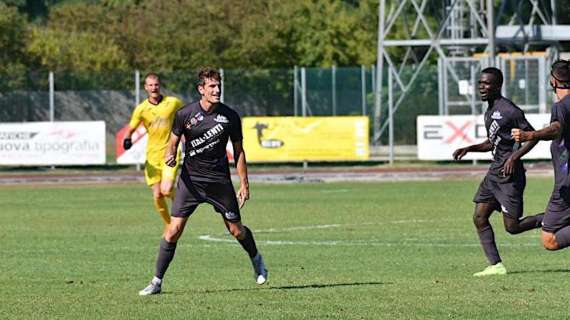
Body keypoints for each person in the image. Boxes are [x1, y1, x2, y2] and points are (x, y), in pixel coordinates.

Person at [139, 68, 267, 296]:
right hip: (190, 181)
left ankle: (256, 258)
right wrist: (170, 153)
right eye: (212, 86)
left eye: (219, 86)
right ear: (201, 90)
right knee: (173, 230)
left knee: (236, 231)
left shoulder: (230, 116)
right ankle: (156, 282)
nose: (217, 90)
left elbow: (239, 152)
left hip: (219, 182)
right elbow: (174, 140)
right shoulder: (184, 114)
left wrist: (244, 183)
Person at [453, 67, 543, 277]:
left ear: (498, 85)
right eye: (480, 83)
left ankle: (554, 219)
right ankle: (495, 265)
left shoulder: (510, 110)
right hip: (494, 173)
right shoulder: (490, 110)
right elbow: (493, 143)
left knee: (512, 227)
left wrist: (514, 157)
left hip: (509, 176)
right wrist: (470, 148)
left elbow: (533, 136)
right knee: (479, 216)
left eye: (487, 84)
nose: (482, 87)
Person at [512, 59, 570, 251]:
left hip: (567, 186)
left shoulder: (561, 107)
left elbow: (556, 128)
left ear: (553, 82)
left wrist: (531, 134)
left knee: (550, 239)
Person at [123, 73, 184, 230]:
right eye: (150, 85)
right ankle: (169, 224)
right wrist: (127, 139)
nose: (153, 88)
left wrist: (186, 136)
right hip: (152, 156)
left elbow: (186, 117)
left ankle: (182, 200)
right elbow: (131, 127)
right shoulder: (141, 109)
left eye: (156, 84)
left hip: (170, 152)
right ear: (146, 87)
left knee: (166, 189)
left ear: (159, 85)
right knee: (158, 195)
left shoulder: (173, 103)